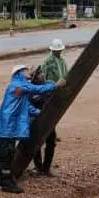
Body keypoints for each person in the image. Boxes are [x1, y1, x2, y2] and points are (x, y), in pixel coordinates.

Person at [0, 65, 61, 194]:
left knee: (1, 152)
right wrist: (55, 86)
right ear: (19, 73)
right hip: (9, 126)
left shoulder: (18, 88)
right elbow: (36, 89)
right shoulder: (18, 84)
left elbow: (27, 107)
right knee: (7, 153)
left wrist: (41, 114)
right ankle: (6, 181)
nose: (29, 72)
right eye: (26, 70)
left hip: (6, 125)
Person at [33, 38, 68, 176]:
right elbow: (45, 80)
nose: (59, 52)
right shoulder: (48, 63)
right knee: (39, 138)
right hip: (47, 97)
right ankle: (39, 167)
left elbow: (65, 75)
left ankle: (45, 168)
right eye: (57, 50)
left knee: (50, 138)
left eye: (60, 50)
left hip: (55, 96)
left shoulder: (63, 62)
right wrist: (52, 86)